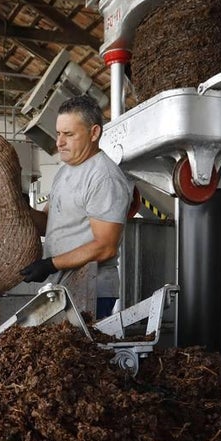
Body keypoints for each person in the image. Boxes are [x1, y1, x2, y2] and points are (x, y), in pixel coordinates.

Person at [20, 94, 132, 318]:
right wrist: (24, 210)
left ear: (94, 133)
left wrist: (51, 264)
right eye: (59, 133)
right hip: (61, 288)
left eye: (69, 134)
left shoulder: (103, 177)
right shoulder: (64, 172)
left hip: (91, 291)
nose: (59, 142)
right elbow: (49, 224)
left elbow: (105, 247)